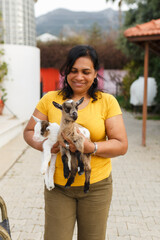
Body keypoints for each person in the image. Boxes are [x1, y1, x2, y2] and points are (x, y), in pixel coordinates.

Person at [23, 45, 128, 240]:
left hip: (96, 186)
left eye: (86, 72)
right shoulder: (50, 99)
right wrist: (45, 146)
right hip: (59, 188)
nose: (79, 77)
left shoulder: (107, 102)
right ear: (66, 72)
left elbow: (121, 144)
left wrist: (91, 147)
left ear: (95, 73)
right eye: (73, 71)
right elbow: (29, 131)